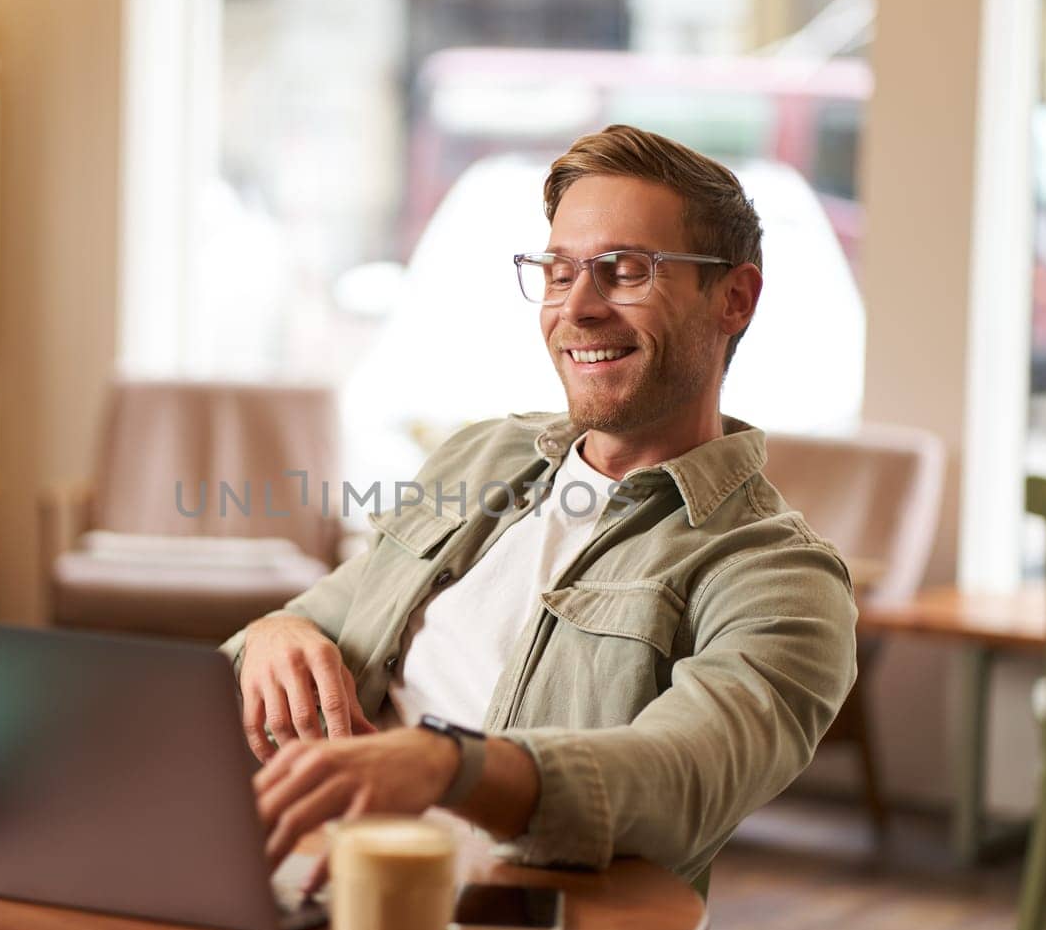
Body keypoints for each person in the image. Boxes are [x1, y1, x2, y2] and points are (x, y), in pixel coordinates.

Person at [224, 124, 858, 886]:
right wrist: (272, 630)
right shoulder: (481, 456)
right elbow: (321, 618)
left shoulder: (778, 575)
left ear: (734, 298)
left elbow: (680, 778)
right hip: (309, 883)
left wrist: (445, 762)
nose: (578, 308)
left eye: (624, 271)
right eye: (558, 273)